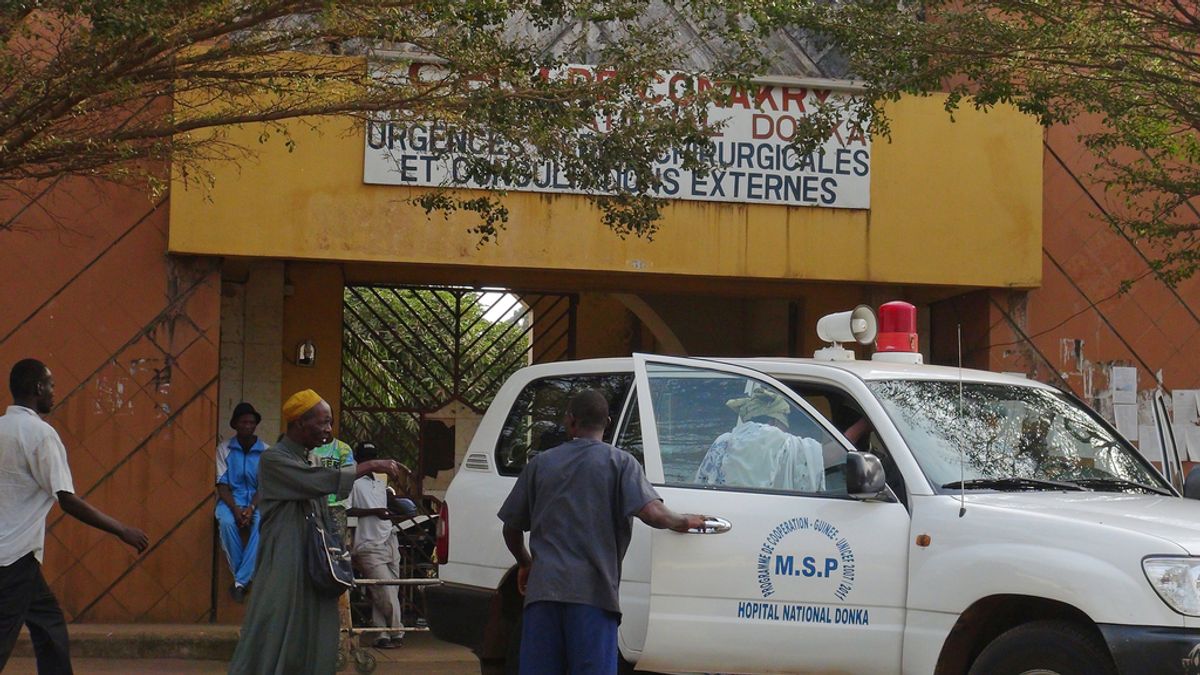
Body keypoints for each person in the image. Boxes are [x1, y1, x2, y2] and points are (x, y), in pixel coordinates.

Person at [498, 389, 705, 675]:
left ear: (570, 421)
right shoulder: (621, 463)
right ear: (607, 422)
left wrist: (524, 562)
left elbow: (511, 527)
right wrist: (685, 522)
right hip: (593, 598)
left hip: (543, 596)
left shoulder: (540, 464)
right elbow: (654, 514)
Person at [228, 389, 405, 675]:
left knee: (315, 624)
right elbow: (319, 482)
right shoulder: (274, 459)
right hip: (285, 556)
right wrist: (370, 465)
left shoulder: (308, 458)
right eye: (322, 423)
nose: (328, 430)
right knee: (278, 623)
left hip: (312, 556)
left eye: (330, 422)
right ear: (299, 423)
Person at [0, 359, 149, 673]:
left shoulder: (2, 428)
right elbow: (67, 500)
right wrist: (122, 529)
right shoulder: (41, 435)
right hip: (14, 556)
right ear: (38, 388)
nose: (55, 393)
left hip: (15, 554)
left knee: (49, 622)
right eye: (51, 385)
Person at [695, 388, 868, 493]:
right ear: (776, 421)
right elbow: (829, 456)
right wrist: (862, 426)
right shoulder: (774, 438)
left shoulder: (724, 441)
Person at [346, 442, 409, 649]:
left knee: (384, 590)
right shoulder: (352, 483)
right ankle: (397, 631)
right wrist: (373, 512)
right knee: (386, 590)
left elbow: (388, 506)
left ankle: (381, 634)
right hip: (368, 543)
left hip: (389, 538)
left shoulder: (381, 483)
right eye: (365, 458)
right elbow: (347, 511)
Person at [215, 401, 267, 603]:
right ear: (235, 424)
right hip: (230, 502)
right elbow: (222, 485)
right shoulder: (224, 448)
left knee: (262, 525)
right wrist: (237, 510)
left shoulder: (265, 452)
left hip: (258, 502)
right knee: (226, 523)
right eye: (243, 422)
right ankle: (243, 580)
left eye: (251, 422)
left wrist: (251, 508)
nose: (248, 426)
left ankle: (239, 582)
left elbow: (264, 486)